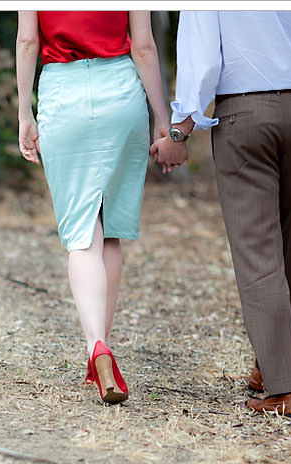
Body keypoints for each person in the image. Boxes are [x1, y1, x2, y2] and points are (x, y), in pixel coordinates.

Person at [151, 11, 291, 416]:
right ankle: (271, 360)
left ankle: (285, 388)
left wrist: (179, 131)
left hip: (245, 116)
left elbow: (204, 62)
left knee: (257, 252)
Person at [16, 11, 178, 404]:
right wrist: (162, 118)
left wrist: (24, 113)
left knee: (81, 234)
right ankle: (100, 353)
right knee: (111, 230)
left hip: (62, 94)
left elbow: (27, 41)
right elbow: (142, 46)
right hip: (121, 94)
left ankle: (97, 347)